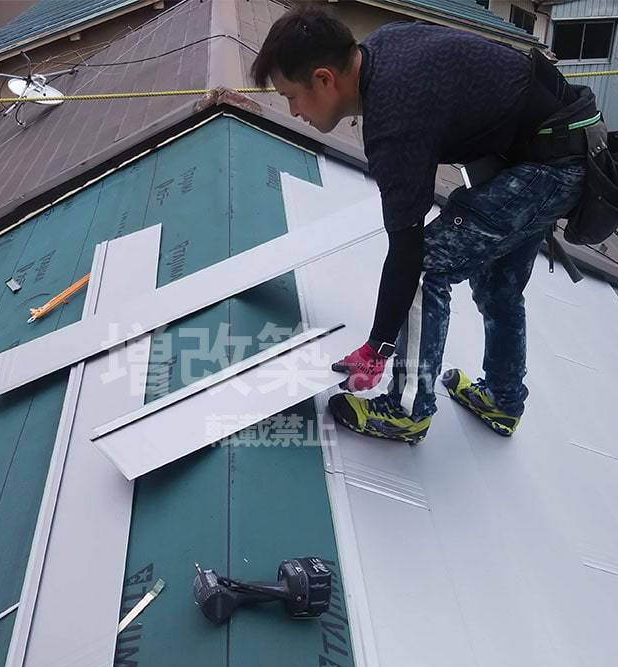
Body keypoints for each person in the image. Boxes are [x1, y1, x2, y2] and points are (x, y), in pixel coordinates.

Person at [251, 8, 595, 444]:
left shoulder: (395, 118)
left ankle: (405, 410)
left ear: (324, 79)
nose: (293, 110)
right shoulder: (383, 45)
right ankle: (503, 401)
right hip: (557, 144)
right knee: (498, 284)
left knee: (428, 268)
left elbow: (408, 251)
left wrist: (376, 347)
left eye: (290, 96)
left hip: (550, 165)